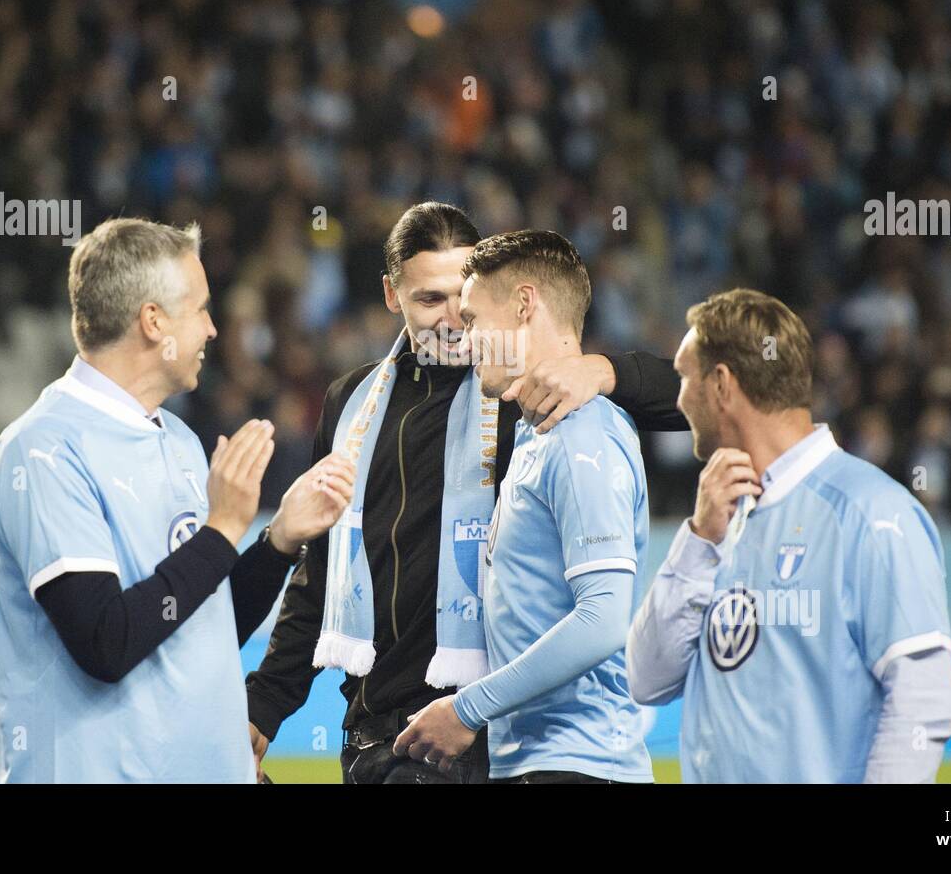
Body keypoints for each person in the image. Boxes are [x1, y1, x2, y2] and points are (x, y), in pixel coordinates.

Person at [245, 202, 685, 784]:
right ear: (390, 295)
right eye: (430, 300)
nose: (455, 321)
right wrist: (265, 705)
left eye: (466, 300)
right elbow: (324, 568)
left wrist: (604, 371)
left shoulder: (526, 393)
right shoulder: (351, 405)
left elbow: (696, 399)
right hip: (372, 732)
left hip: (472, 734)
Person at [0, 217, 355, 783]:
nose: (213, 329)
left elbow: (196, 627)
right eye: (202, 308)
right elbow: (106, 644)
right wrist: (220, 530)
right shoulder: (44, 449)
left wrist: (277, 542)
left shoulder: (177, 439)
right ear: (153, 321)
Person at [625, 288, 951, 782]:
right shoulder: (721, 519)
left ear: (721, 384)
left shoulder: (874, 514)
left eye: (683, 377)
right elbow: (645, 677)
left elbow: (923, 701)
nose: (676, 399)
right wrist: (699, 541)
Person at [394, 229, 654, 783]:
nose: (464, 339)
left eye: (472, 319)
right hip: (540, 764)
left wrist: (466, 708)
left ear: (524, 304)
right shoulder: (538, 436)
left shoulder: (584, 436)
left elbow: (602, 619)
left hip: (582, 765)